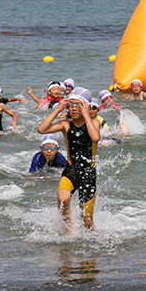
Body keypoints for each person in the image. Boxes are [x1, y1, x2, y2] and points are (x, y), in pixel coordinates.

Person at [37, 87, 100, 233]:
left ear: (86, 106)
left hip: (88, 174)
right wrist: (57, 110)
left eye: (79, 105)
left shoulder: (94, 123)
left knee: (87, 223)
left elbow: (95, 138)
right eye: (71, 105)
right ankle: (69, 227)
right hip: (71, 170)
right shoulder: (66, 125)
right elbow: (42, 129)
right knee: (63, 199)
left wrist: (86, 114)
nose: (74, 108)